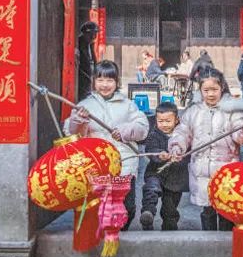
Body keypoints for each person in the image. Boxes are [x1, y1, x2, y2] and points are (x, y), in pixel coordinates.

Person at [64, 60, 149, 230]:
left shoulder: (128, 105)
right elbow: (71, 134)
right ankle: (104, 237)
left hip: (124, 163)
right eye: (100, 80)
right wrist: (79, 121)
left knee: (127, 207)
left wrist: (125, 132)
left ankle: (120, 234)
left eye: (109, 80)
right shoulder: (84, 106)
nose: (105, 85)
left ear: (117, 82)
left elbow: (143, 127)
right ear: (94, 81)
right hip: (96, 165)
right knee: (100, 207)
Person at [168, 67, 243, 231]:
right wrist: (177, 146)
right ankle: (208, 240)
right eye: (206, 90)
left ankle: (225, 241)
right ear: (200, 90)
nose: (210, 94)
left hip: (226, 172)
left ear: (222, 88)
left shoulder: (232, 110)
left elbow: (240, 133)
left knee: (226, 211)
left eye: (214, 89)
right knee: (207, 210)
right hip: (201, 172)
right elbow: (183, 132)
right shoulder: (194, 111)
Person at [140, 102, 189, 231]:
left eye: (168, 121)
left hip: (175, 177)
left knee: (170, 207)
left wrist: (180, 156)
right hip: (156, 172)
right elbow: (150, 149)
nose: (164, 125)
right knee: (151, 189)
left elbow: (188, 151)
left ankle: (170, 225)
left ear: (176, 120)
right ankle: (148, 213)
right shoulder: (154, 134)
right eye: (160, 121)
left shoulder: (184, 135)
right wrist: (159, 154)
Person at [78, 21, 99, 101]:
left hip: (89, 77)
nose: (93, 37)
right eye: (90, 34)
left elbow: (93, 60)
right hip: (81, 78)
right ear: (84, 34)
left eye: (95, 34)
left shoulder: (90, 44)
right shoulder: (79, 44)